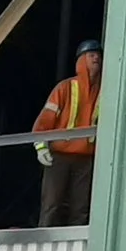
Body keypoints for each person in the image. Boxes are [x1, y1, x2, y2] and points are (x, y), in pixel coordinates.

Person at [34, 39, 102, 227]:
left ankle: (77, 248)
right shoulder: (65, 88)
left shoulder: (105, 92)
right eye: (91, 55)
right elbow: (43, 122)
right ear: (81, 60)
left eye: (98, 55)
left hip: (85, 159)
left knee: (81, 207)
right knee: (52, 203)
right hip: (59, 156)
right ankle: (43, 242)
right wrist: (41, 148)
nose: (96, 57)